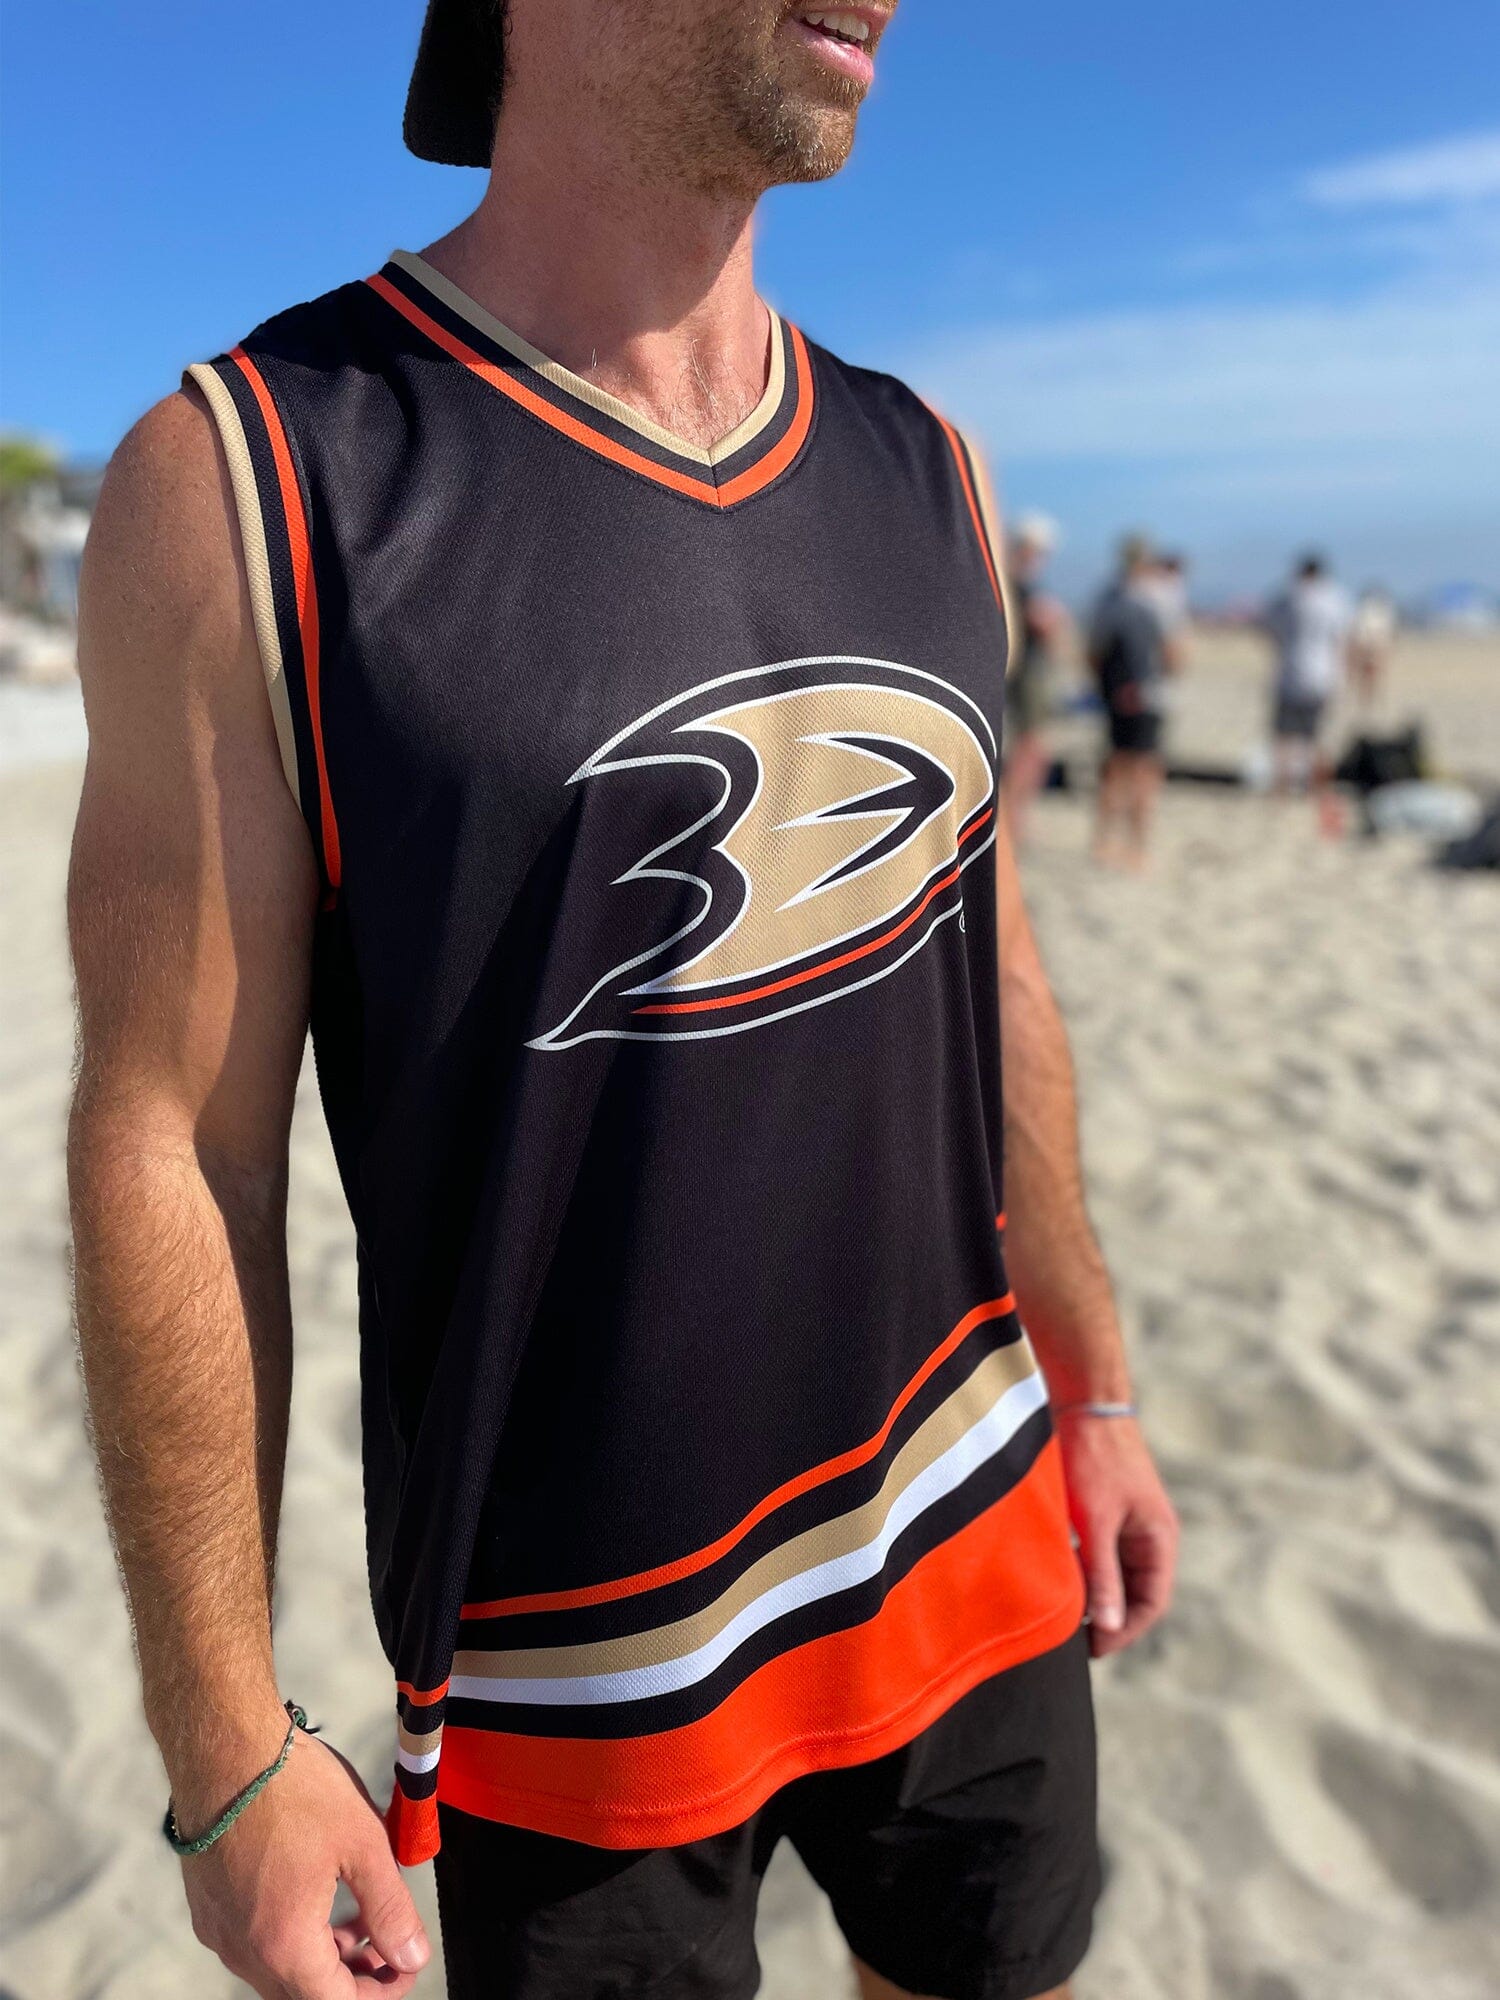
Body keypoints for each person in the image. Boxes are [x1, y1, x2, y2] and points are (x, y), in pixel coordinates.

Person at [67, 5, 1178, 1998]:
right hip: (585, 1667)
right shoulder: (256, 480)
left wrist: (1091, 1382)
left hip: (975, 1519)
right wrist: (226, 1748)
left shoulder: (928, 463)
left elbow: (990, 958)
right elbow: (178, 1141)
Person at [1088, 533, 1180, 870]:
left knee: (1115, 765)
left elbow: (1093, 653)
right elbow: (1174, 654)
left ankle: (1104, 841)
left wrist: (1107, 687)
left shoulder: (1108, 597)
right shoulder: (1159, 596)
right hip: (1148, 694)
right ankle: (1136, 847)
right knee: (1143, 770)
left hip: (1117, 694)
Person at [1002, 511, 1068, 844]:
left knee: (1032, 750)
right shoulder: (1018, 582)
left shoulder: (1015, 580)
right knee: (1029, 749)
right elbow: (1044, 626)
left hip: (1029, 676)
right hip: (1027, 676)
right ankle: (1013, 821)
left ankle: (1016, 819)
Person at [1263, 553, 1353, 792]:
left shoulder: (1288, 596)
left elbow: (1269, 628)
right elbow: (1343, 637)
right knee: (1317, 735)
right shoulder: (1335, 598)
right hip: (1324, 674)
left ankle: (1281, 785)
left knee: (1284, 735)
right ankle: (1315, 785)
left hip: (1290, 673)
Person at [1348, 584, 1397, 711]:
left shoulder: (1380, 612)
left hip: (1373, 646)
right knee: (1367, 677)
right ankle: (1366, 702)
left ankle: (1370, 701)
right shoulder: (1366, 611)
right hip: (1369, 646)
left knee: (1373, 677)